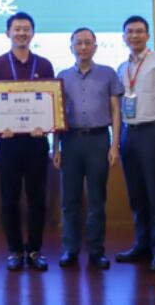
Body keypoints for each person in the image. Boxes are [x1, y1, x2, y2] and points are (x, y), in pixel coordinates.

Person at [0, 12, 55, 271]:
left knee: (37, 197)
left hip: (37, 141)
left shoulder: (44, 65)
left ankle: (35, 250)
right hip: (8, 142)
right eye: (17, 29)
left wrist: (46, 125)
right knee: (9, 197)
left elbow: (50, 102)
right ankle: (14, 250)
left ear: (33, 33)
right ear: (8, 33)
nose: (22, 33)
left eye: (26, 29)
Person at [53, 27, 123, 270]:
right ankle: (70, 250)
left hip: (98, 140)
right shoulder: (62, 76)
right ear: (71, 47)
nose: (83, 47)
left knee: (96, 199)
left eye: (87, 43)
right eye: (78, 43)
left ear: (95, 46)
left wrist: (115, 145)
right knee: (69, 200)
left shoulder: (108, 73)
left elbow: (116, 111)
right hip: (70, 141)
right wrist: (56, 147)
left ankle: (96, 251)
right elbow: (57, 114)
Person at [115, 15, 155, 272]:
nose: (134, 36)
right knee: (136, 194)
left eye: (139, 31)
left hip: (152, 132)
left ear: (148, 35)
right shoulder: (122, 67)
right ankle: (141, 245)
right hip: (128, 134)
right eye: (130, 32)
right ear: (124, 37)